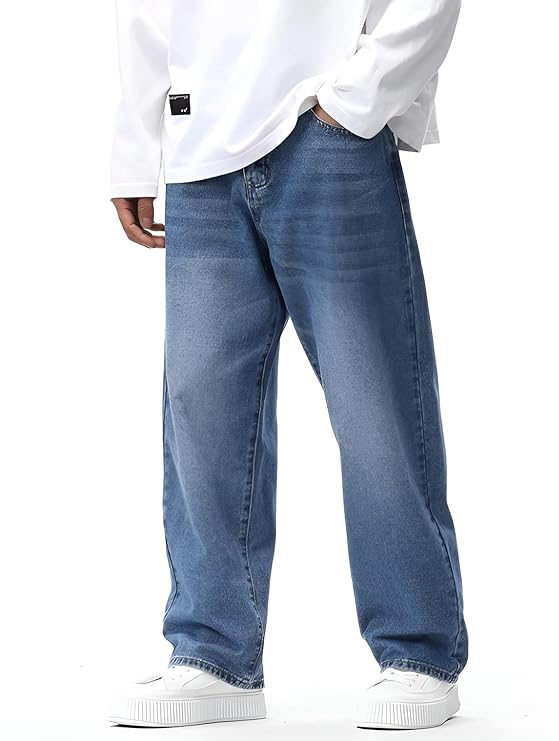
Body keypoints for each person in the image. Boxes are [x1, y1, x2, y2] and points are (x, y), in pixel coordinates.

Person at [108, 0, 468, 731]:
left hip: (325, 126)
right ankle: (214, 654)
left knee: (374, 406)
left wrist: (359, 98)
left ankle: (418, 651)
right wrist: (135, 141)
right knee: (201, 415)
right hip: (200, 140)